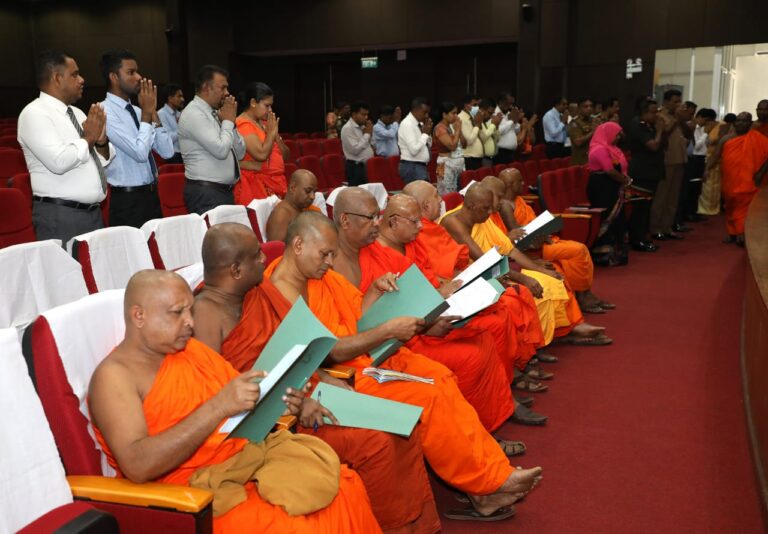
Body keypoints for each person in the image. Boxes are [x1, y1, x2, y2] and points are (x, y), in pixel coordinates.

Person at [265, 212, 544, 521]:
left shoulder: (320, 277)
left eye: (333, 254)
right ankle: (487, 485)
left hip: (362, 358)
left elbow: (356, 320)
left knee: (441, 376)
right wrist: (386, 332)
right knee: (428, 396)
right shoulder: (281, 289)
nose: (330, 262)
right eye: (325, 254)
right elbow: (328, 352)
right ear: (298, 245)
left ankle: (489, 477)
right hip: (333, 379)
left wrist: (374, 292)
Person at [88, 270, 382, 533]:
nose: (190, 322)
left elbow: (240, 403)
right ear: (138, 316)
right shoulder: (114, 377)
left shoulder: (191, 351)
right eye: (177, 313)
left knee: (346, 488)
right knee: (298, 526)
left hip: (244, 460)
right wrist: (218, 406)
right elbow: (138, 465)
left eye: (190, 310)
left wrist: (280, 401)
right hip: (192, 495)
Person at [192, 224, 441, 533]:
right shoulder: (205, 315)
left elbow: (296, 347)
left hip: (303, 393)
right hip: (270, 421)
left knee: (404, 426)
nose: (264, 259)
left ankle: (416, 525)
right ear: (235, 270)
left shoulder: (259, 291)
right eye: (257, 256)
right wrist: (295, 403)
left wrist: (319, 376)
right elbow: (216, 392)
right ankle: (394, 527)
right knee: (377, 442)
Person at [339, 189, 542, 429]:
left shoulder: (401, 246)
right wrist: (428, 322)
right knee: (475, 351)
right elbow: (374, 315)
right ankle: (485, 422)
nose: (421, 226)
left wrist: (444, 297)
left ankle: (501, 405)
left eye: (377, 216)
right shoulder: (361, 256)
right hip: (405, 337)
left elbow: (426, 281)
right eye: (415, 221)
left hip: (426, 318)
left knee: (488, 334)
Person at [440, 183, 610, 346]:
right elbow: (484, 262)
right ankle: (537, 343)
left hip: (495, 269)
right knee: (528, 290)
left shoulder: (481, 217)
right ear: (471, 205)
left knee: (550, 277)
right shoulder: (454, 222)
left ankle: (565, 330)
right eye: (487, 207)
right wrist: (523, 278)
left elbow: (509, 250)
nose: (491, 211)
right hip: (473, 276)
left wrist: (538, 268)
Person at [18, 49, 113, 244]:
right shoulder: (34, 113)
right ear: (57, 78)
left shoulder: (77, 113)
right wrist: (89, 137)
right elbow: (59, 161)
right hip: (61, 216)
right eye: (75, 75)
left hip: (92, 214)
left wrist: (101, 140)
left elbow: (102, 160)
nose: (82, 80)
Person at [496, 169, 613, 313]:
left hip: (540, 240)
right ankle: (584, 295)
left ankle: (584, 294)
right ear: (510, 184)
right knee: (579, 250)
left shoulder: (518, 200)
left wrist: (544, 228)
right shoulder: (505, 206)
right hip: (533, 248)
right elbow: (517, 234)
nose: (523, 183)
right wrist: (539, 233)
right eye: (519, 181)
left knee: (573, 256)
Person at [100, 49, 174, 228]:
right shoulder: (105, 112)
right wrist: (147, 114)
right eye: (131, 72)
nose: (139, 77)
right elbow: (140, 153)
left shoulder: (139, 111)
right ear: (114, 77)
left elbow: (167, 152)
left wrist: (152, 112)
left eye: (137, 71)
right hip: (127, 201)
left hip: (151, 195)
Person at [178, 65, 246, 214]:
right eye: (223, 88)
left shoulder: (215, 113)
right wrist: (227, 122)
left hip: (222, 192)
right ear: (206, 88)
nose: (227, 93)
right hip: (206, 194)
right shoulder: (194, 113)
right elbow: (221, 150)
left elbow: (240, 153)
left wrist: (231, 124)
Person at [707, 112, 768, 246]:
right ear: (735, 123)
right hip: (730, 178)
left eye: (744, 121)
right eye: (738, 120)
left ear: (750, 123)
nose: (741, 123)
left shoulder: (758, 138)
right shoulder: (726, 139)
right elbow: (715, 156)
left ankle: (741, 232)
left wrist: (760, 173)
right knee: (730, 205)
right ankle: (732, 232)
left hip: (749, 180)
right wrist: (706, 170)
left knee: (744, 205)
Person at [234, 82, 289, 203]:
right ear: (253, 102)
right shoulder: (243, 124)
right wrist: (271, 134)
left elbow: (286, 156)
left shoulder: (265, 124)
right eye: (267, 106)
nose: (270, 110)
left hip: (277, 184)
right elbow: (261, 155)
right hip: (256, 187)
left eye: (271, 106)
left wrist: (275, 136)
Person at [649, 89, 693, 240]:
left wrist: (682, 120)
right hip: (666, 160)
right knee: (662, 196)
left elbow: (688, 133)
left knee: (673, 197)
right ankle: (656, 228)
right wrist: (676, 119)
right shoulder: (659, 116)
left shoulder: (678, 117)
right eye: (675, 102)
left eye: (679, 101)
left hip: (680, 159)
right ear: (666, 102)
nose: (679, 104)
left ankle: (667, 227)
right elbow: (663, 134)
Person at [586, 121, 631, 265]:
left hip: (612, 186)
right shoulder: (599, 149)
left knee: (618, 218)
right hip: (601, 187)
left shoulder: (613, 149)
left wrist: (625, 179)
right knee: (608, 217)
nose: (618, 138)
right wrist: (625, 181)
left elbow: (621, 167)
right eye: (616, 135)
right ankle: (603, 254)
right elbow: (609, 170)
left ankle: (617, 252)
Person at [626, 98, 665, 252]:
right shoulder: (638, 126)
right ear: (645, 113)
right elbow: (653, 146)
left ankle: (643, 236)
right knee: (640, 208)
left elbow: (662, 144)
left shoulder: (649, 125)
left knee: (646, 207)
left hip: (651, 171)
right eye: (654, 112)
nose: (657, 116)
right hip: (642, 172)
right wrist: (660, 131)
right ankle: (637, 239)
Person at [679, 108, 716, 223]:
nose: (707, 123)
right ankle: (688, 213)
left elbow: (707, 144)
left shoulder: (703, 129)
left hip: (701, 159)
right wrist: (705, 133)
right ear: (699, 117)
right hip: (693, 160)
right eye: (706, 120)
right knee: (691, 187)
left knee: (697, 188)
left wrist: (707, 134)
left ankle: (693, 211)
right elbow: (696, 147)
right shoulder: (692, 128)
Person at [265, 169, 319, 242]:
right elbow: (276, 248)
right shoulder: (281, 214)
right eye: (308, 191)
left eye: (314, 192)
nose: (313, 196)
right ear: (292, 188)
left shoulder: (304, 208)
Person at [698, 112, 735, 216]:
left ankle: (711, 208)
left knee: (713, 186)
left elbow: (710, 142)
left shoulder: (721, 127)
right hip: (713, 158)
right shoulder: (720, 127)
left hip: (716, 158)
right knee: (711, 185)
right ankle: (710, 208)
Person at [397, 97, 433, 183]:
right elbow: (414, 150)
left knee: (425, 190)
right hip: (412, 166)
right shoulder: (407, 124)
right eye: (425, 112)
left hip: (419, 166)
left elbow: (428, 145)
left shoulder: (419, 123)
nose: (427, 115)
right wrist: (425, 134)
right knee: (421, 191)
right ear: (416, 109)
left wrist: (428, 133)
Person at [432, 101, 465, 194]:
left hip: (456, 165)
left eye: (457, 113)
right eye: (453, 113)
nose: (456, 116)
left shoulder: (451, 126)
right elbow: (452, 146)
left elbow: (465, 144)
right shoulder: (439, 128)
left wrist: (459, 130)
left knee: (458, 192)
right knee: (447, 193)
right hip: (445, 165)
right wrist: (457, 130)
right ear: (444, 115)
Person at [340, 102, 374, 186]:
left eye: (367, 114)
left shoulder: (362, 126)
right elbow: (355, 150)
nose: (366, 117)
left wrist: (370, 133)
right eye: (363, 114)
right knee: (358, 192)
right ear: (354, 114)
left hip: (366, 166)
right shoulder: (347, 128)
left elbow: (370, 145)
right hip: (355, 168)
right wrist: (367, 134)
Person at [157, 83, 185, 163]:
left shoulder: (179, 114)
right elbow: (167, 138)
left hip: (183, 153)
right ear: (170, 98)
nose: (182, 99)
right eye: (179, 96)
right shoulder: (161, 114)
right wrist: (182, 127)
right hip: (172, 156)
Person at [567, 97, 596, 165]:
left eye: (591, 106)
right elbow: (578, 142)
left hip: (594, 159)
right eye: (586, 106)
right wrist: (593, 132)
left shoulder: (595, 120)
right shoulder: (573, 123)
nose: (589, 108)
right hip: (581, 162)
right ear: (579, 109)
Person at [458, 94, 484, 170]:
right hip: (469, 158)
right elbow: (469, 141)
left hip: (476, 158)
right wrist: (477, 125)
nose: (477, 107)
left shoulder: (473, 116)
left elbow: (483, 137)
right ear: (466, 106)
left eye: (478, 105)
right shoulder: (461, 118)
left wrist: (479, 124)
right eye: (475, 105)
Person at [479, 99, 502, 166]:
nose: (491, 116)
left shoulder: (489, 122)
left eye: (492, 113)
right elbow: (483, 138)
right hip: (483, 158)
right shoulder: (478, 122)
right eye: (490, 113)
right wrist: (493, 125)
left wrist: (496, 126)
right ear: (482, 110)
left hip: (493, 158)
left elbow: (497, 139)